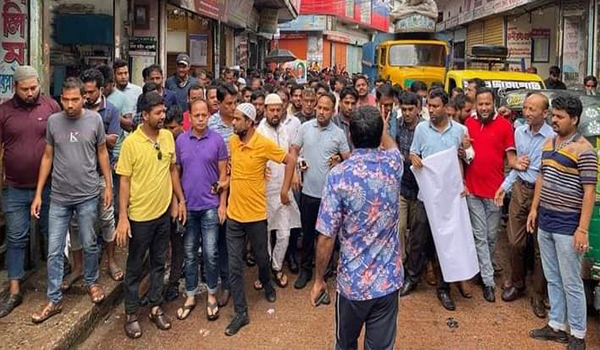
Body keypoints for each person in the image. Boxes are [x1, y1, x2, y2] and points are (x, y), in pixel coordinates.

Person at [311, 105, 403, 350]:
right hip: (388, 282)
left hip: (352, 284)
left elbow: (326, 236)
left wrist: (319, 279)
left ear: (350, 135)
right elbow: (392, 146)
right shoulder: (394, 165)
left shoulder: (338, 175)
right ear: (380, 132)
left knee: (345, 344)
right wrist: (382, 125)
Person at [30, 77, 112, 323]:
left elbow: (102, 152)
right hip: (59, 196)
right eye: (65, 100)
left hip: (87, 193)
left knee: (89, 242)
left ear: (83, 98)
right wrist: (38, 194)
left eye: (75, 99)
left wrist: (108, 185)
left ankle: (92, 282)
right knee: (55, 249)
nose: (70, 104)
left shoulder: (94, 120)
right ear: (61, 99)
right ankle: (53, 299)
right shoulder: (54, 122)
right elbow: (47, 156)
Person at [115, 92, 186, 339]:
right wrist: (123, 217)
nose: (162, 116)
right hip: (139, 217)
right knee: (135, 267)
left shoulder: (167, 137)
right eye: (157, 113)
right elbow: (124, 182)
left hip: (163, 214)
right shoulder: (131, 144)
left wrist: (179, 200)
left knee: (159, 263)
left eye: (163, 111)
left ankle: (156, 307)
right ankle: (132, 314)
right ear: (144, 115)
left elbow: (172, 170)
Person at [527, 94, 597, 350]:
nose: (553, 120)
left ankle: (578, 334)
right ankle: (556, 325)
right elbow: (541, 179)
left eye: (559, 116)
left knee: (571, 281)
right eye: (553, 115)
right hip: (546, 221)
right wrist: (534, 208)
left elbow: (589, 191)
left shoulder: (585, 150)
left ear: (575, 119)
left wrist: (582, 229)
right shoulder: (548, 144)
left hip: (569, 226)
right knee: (553, 277)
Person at [224, 103, 296, 336]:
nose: (233, 122)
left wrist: (285, 190)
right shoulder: (233, 142)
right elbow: (233, 171)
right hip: (234, 216)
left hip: (256, 216)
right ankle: (241, 312)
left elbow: (290, 161)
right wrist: (224, 186)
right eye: (233, 118)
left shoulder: (264, 144)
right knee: (235, 266)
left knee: (262, 259)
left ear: (250, 122)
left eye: (237, 119)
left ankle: (266, 282)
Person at [0, 66, 61, 318]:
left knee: (52, 235)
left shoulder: (51, 108)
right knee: (16, 237)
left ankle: (54, 287)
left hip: (48, 187)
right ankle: (14, 288)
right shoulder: (3, 112)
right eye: (24, 89)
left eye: (33, 87)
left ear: (39, 84)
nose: (29, 93)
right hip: (14, 187)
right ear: (15, 88)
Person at [494, 92, 555, 318]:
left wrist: (535, 206)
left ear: (545, 113)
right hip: (520, 190)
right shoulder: (519, 132)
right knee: (515, 242)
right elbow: (519, 167)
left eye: (533, 109)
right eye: (526, 108)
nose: (527, 113)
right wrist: (505, 186)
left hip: (545, 194)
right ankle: (517, 283)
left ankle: (538, 294)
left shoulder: (552, 138)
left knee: (541, 248)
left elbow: (542, 173)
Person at [61, 69, 123, 292]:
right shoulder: (74, 111)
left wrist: (92, 128)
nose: (86, 97)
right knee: (75, 224)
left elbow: (112, 143)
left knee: (107, 219)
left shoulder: (110, 111)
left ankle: (111, 260)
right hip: (76, 178)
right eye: (83, 92)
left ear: (101, 88)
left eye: (90, 92)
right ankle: (77, 267)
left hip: (99, 175)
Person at [409, 88, 469, 311]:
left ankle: (444, 288)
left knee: (445, 243)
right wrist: (413, 157)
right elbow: (413, 153)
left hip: (450, 199)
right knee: (417, 238)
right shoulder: (421, 129)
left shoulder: (460, 131)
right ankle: (412, 278)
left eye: (435, 106)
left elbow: (466, 159)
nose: (431, 110)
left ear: (446, 107)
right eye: (429, 106)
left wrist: (463, 182)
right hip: (426, 195)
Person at [464, 87, 521, 303]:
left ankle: (481, 270)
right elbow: (464, 153)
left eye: (488, 104)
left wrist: (521, 164)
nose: (484, 108)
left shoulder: (506, 127)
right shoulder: (467, 125)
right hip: (473, 190)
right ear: (476, 105)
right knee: (480, 236)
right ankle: (488, 283)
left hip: (496, 193)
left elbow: (511, 157)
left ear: (493, 104)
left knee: (491, 236)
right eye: (481, 104)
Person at [291, 93, 351, 290]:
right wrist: (294, 171)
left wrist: (340, 160)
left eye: (326, 109)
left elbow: (349, 161)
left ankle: (324, 271)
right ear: (315, 108)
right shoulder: (304, 128)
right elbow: (293, 152)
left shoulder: (339, 134)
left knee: (327, 237)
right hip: (308, 192)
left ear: (333, 111)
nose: (322, 112)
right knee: (307, 234)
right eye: (319, 108)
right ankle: (305, 270)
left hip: (330, 197)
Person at [175, 99, 228, 321]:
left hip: (210, 206)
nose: (200, 118)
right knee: (189, 253)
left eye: (204, 115)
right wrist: (179, 201)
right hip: (188, 206)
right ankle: (190, 294)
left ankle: (212, 294)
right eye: (196, 115)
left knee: (210, 253)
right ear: (190, 116)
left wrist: (223, 204)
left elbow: (224, 176)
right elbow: (175, 173)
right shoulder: (181, 140)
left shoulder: (217, 141)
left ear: (208, 115)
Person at [256, 94, 301, 289]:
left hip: (283, 189)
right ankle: (264, 272)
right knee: (264, 235)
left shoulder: (285, 130)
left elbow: (292, 155)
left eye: (278, 110)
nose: (275, 113)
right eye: (271, 110)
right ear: (265, 110)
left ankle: (276, 266)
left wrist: (296, 173)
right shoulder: (258, 132)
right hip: (263, 191)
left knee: (284, 234)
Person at [394, 92, 425, 273]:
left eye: (410, 109)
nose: (407, 113)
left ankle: (414, 267)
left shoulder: (425, 128)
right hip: (401, 186)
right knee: (399, 227)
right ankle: (400, 263)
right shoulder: (396, 126)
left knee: (416, 232)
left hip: (420, 188)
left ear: (418, 109)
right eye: (404, 109)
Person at [162, 106, 186, 302]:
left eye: (173, 127)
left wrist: (179, 201)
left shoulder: (185, 142)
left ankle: (174, 282)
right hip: (161, 201)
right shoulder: (161, 141)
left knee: (179, 243)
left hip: (183, 201)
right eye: (167, 127)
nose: (170, 131)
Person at [209, 83, 237, 155]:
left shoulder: (241, 121)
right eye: (229, 103)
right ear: (219, 103)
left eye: (235, 102)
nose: (233, 107)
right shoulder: (210, 124)